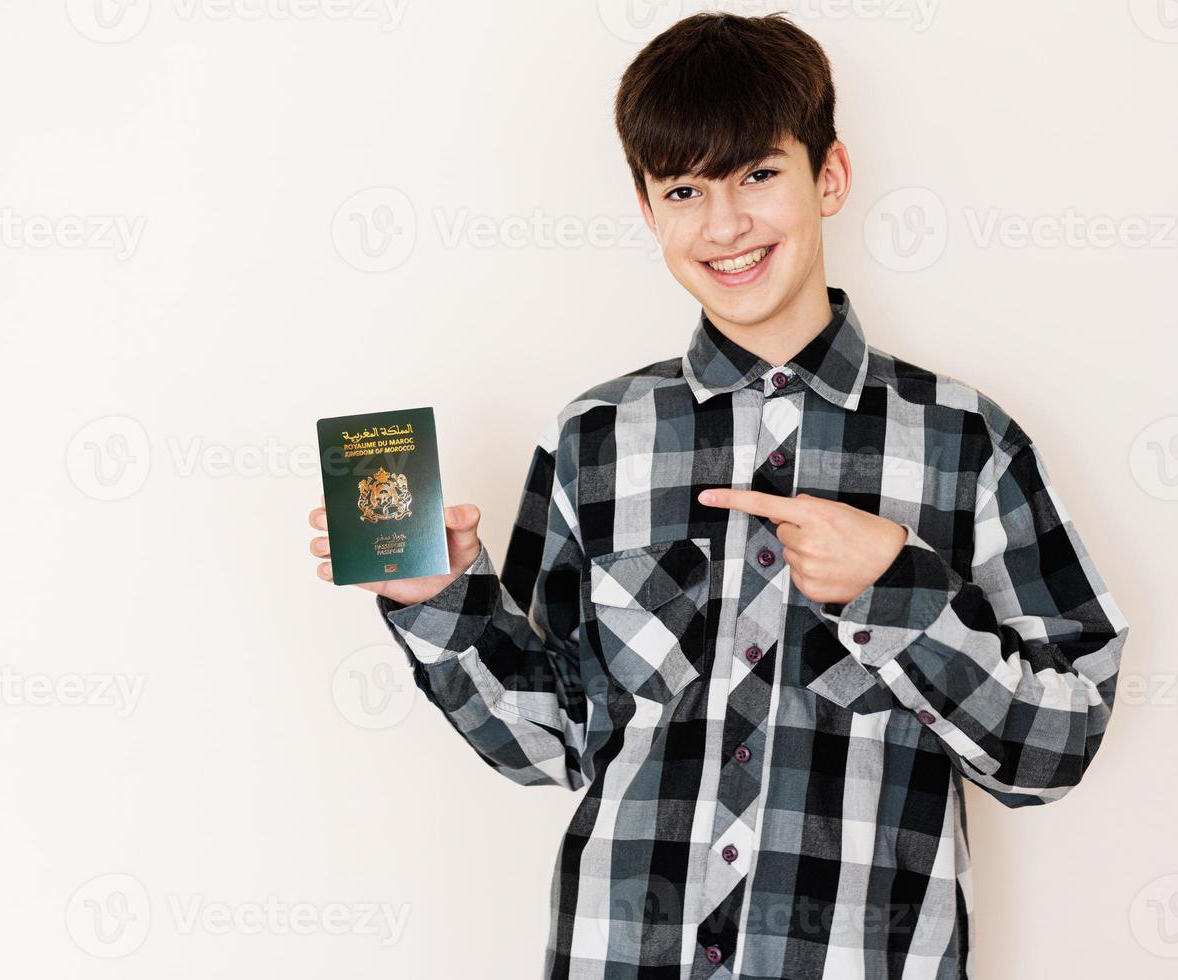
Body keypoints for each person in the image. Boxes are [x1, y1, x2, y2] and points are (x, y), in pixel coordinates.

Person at [307, 11, 1128, 978]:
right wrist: (441, 603)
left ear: (830, 177)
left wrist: (895, 590)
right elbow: (552, 742)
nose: (724, 224)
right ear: (648, 210)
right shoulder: (593, 440)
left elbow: (1057, 747)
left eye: (758, 175)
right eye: (685, 188)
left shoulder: (966, 442)